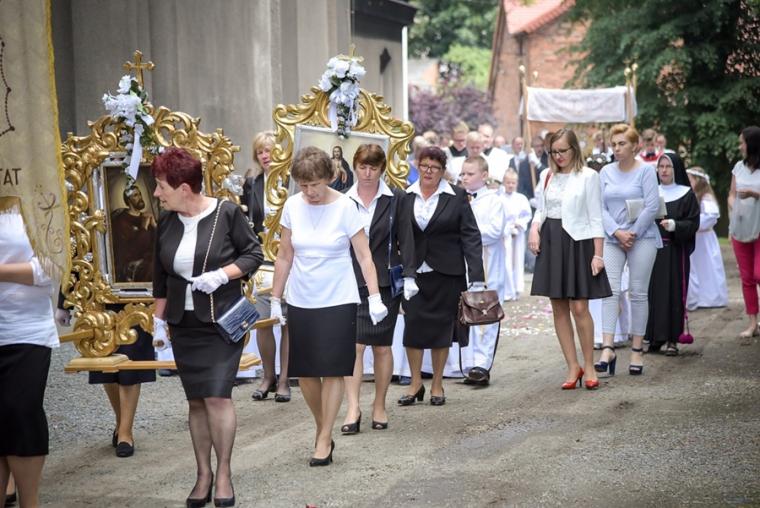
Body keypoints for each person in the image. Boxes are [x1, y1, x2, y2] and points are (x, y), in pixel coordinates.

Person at [151, 147, 263, 506]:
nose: (156, 193)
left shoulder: (227, 213)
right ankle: (203, 474)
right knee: (196, 401)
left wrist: (222, 275)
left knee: (217, 396)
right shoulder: (166, 222)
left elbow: (254, 254)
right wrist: (157, 321)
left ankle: (224, 473)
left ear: (184, 188)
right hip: (183, 325)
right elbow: (160, 277)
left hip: (220, 323)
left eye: (161, 186)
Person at [270, 146, 388, 466]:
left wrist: (375, 296)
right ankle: (323, 425)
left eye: (315, 185)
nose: (309, 192)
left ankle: (323, 438)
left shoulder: (346, 207)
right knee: (306, 373)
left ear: (330, 178)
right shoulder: (293, 206)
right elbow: (285, 255)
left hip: (338, 297)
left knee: (333, 369)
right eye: (303, 186)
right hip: (302, 297)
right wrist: (276, 298)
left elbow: (364, 255)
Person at [398, 146, 485, 406]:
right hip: (414, 275)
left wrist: (477, 276)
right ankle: (415, 383)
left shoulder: (456, 196)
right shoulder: (404, 196)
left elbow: (471, 236)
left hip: (448, 273)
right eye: (424, 165)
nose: (428, 171)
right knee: (413, 328)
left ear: (443, 171)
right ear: (417, 165)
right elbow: (399, 235)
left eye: (435, 167)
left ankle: (437, 383)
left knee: (441, 330)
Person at [342, 144, 417, 433]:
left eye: (373, 167)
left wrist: (409, 275)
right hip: (350, 279)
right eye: (362, 167)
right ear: (354, 167)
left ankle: (379, 405)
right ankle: (353, 407)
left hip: (385, 281)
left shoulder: (397, 198)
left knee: (382, 347)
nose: (367, 173)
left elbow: (406, 239)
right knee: (354, 346)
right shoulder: (342, 199)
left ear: (382, 169)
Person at [528, 129, 611, 390]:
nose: (558, 156)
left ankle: (589, 365)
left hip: (579, 242)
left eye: (563, 150)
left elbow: (596, 216)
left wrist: (598, 254)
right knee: (559, 307)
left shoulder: (589, 176)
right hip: (552, 241)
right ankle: (572, 365)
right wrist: (534, 228)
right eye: (554, 152)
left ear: (575, 149)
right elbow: (541, 209)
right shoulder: (547, 175)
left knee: (580, 307)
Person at [0, 196, 59, 508]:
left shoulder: (39, 199)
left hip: (25, 329)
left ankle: (29, 501)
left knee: (21, 411)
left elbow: (52, 267)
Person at [597, 124, 662, 376]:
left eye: (622, 143)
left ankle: (636, 349)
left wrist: (632, 233)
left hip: (642, 237)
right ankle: (608, 348)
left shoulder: (646, 171)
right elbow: (599, 207)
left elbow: (652, 206)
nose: (616, 148)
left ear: (635, 146)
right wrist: (617, 232)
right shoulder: (605, 171)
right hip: (613, 237)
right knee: (610, 291)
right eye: (613, 144)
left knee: (638, 292)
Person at [242, 130, 292, 401]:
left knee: (287, 323)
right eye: (260, 151)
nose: (264, 155)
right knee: (263, 322)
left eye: (269, 150)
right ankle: (268, 376)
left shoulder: (292, 183)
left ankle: (284, 379)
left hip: (291, 259)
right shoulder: (252, 184)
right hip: (262, 262)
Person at [458, 156, 508, 386]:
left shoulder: (494, 201)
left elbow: (494, 231)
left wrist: (466, 231)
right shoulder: (459, 199)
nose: (464, 178)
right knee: (464, 310)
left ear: (484, 175)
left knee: (485, 311)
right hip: (464, 263)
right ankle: (466, 363)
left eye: (470, 174)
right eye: (463, 174)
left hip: (488, 264)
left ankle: (482, 363)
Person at [645, 153, 700, 355]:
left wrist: (675, 225)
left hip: (675, 251)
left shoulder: (686, 194)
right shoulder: (651, 193)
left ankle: (672, 339)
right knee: (653, 293)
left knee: (673, 293)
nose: (664, 170)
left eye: (668, 166)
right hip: (652, 250)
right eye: (661, 166)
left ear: (676, 169)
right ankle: (655, 337)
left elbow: (693, 223)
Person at [728, 126, 760, 338]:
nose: (740, 146)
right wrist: (734, 207)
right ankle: (752, 323)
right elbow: (731, 195)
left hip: (759, 228)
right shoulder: (738, 168)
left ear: (752, 144)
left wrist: (754, 194)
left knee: (759, 273)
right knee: (747, 278)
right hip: (740, 227)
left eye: (742, 142)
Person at [686, 167, 728, 310]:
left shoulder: (706, 198)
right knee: (696, 268)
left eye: (690, 180)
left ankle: (710, 298)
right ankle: (697, 297)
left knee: (708, 267)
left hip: (704, 239)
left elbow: (710, 217)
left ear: (698, 181)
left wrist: (691, 224)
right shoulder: (693, 197)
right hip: (696, 238)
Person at [111, 185, 156, 282]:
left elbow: (157, 245)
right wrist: (143, 228)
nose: (140, 197)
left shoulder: (146, 217)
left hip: (149, 261)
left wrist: (155, 226)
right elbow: (130, 251)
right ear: (128, 200)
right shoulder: (121, 221)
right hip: (132, 267)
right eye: (135, 195)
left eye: (140, 194)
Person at [501, 168, 531, 301]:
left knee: (517, 261)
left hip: (518, 233)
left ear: (517, 183)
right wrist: (507, 227)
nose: (510, 185)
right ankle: (508, 290)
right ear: (504, 182)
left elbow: (527, 215)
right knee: (506, 261)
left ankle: (517, 288)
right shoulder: (499, 199)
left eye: (513, 183)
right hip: (505, 233)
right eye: (508, 182)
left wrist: (519, 223)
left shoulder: (521, 198)